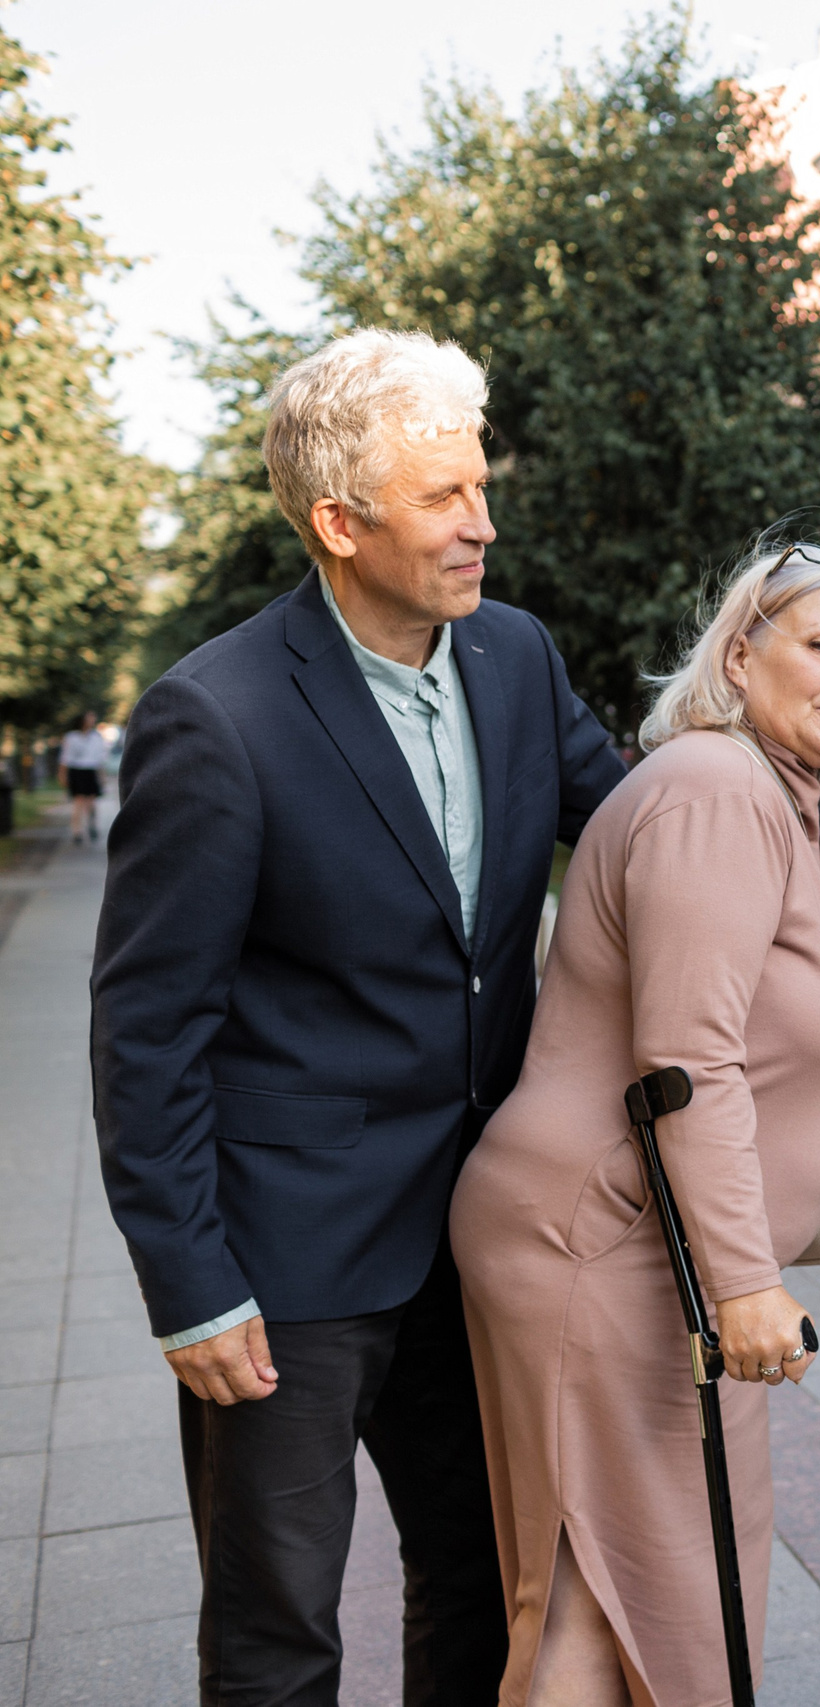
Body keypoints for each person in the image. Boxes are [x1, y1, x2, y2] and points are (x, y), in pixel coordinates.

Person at [89, 329, 625, 1707]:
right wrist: (189, 1281)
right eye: (446, 497)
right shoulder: (216, 716)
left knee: (478, 1578)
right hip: (287, 1263)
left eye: (480, 487)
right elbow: (146, 1028)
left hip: (489, 1230)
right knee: (278, 1630)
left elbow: (637, 834)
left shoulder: (514, 656)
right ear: (341, 519)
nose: (483, 523)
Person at [453, 542, 820, 1705]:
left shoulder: (764, 794)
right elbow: (685, 1060)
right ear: (740, 652)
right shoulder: (715, 790)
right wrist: (746, 1282)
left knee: (636, 1592)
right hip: (606, 1248)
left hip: (640, 1250)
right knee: (611, 1597)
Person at [59, 709, 107, 842]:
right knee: (78, 802)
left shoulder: (96, 738)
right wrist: (62, 775)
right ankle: (77, 831)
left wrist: (102, 777)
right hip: (77, 771)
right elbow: (65, 758)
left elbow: (100, 760)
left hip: (90, 771)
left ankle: (92, 826)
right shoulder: (71, 737)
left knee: (91, 803)